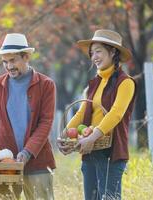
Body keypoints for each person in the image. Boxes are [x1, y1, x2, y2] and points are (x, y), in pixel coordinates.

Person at [57, 29, 136, 200]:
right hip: (89, 152)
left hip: (110, 152)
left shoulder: (126, 82)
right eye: (92, 53)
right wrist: (64, 134)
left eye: (99, 51)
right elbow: (82, 112)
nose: (94, 57)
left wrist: (92, 137)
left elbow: (116, 114)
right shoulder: (95, 83)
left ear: (113, 51)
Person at [0, 33, 56, 200]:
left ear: (26, 57)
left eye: (13, 60)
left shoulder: (46, 85)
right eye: (5, 62)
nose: (9, 66)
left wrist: (27, 152)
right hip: (5, 163)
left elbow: (46, 122)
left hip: (38, 161)